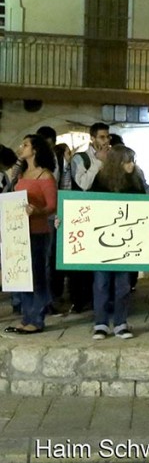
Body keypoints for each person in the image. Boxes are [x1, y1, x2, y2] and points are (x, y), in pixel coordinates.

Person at [89, 145, 148, 340]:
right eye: (128, 161)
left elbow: (145, 209)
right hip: (103, 241)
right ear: (118, 163)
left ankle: (121, 323)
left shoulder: (137, 182)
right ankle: (101, 323)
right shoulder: (100, 180)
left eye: (133, 160)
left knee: (123, 285)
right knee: (101, 284)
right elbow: (90, 206)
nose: (132, 164)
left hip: (126, 243)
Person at [4, 135, 57, 335]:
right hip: (19, 232)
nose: (21, 148)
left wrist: (37, 211)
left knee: (37, 276)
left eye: (25, 145)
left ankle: (37, 318)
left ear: (35, 149)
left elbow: (52, 205)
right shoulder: (22, 174)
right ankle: (27, 317)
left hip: (37, 232)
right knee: (23, 277)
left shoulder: (45, 176)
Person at [66, 122, 112, 313]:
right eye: (102, 137)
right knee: (82, 260)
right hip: (84, 214)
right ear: (92, 138)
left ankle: (100, 300)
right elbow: (83, 184)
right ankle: (79, 299)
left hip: (104, 214)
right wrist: (99, 163)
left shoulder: (112, 157)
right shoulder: (80, 158)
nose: (106, 141)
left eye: (107, 137)